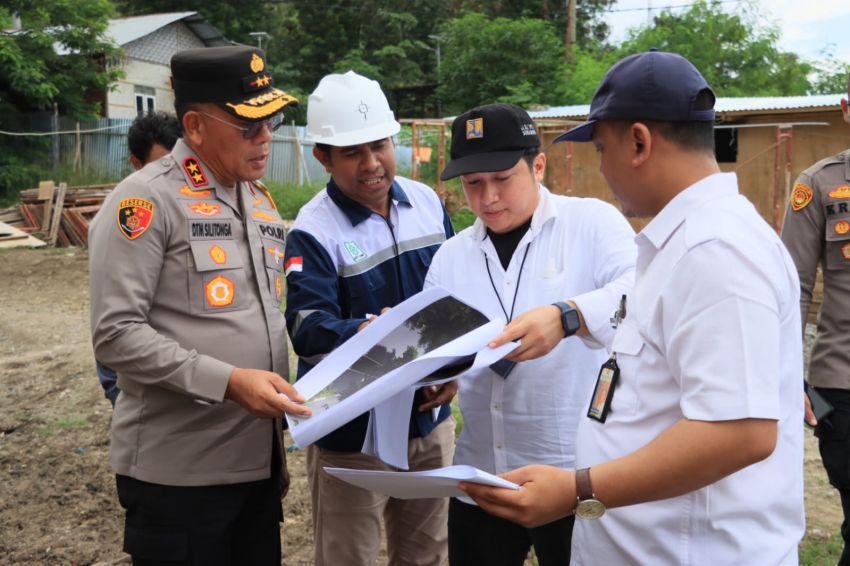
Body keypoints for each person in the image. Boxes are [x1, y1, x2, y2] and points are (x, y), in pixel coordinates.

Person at [461, 50, 805, 565]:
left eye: (601, 148)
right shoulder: (681, 243)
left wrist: (577, 488)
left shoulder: (716, 251)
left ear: (639, 142)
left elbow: (740, 433)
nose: (601, 167)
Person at [88, 46, 310, 565]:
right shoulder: (145, 201)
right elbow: (116, 333)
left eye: (270, 121)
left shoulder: (258, 199)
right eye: (248, 125)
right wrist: (228, 382)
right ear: (196, 124)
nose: (265, 138)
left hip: (255, 468)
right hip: (180, 480)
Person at [424, 102, 635, 566]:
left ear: (538, 166)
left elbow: (638, 290)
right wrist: (437, 379)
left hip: (576, 475)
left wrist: (569, 315)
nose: (488, 197)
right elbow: (438, 348)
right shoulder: (450, 259)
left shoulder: (592, 225)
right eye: (472, 184)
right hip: (483, 474)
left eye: (502, 179)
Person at [283, 70, 456, 566]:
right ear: (323, 156)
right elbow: (307, 327)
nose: (372, 163)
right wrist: (367, 332)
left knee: (427, 555)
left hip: (428, 421)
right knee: (349, 557)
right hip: (351, 435)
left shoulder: (426, 203)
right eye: (352, 152)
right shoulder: (314, 231)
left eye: (379, 145)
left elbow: (454, 300)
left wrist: (453, 374)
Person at [781, 72, 850, 564]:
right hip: (840, 389)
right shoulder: (819, 184)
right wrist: (788, 378)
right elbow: (792, 290)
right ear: (847, 109)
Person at [96, 110, 182, 406]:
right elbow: (116, 324)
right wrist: (119, 395)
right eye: (162, 166)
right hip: (146, 391)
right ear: (136, 163)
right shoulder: (131, 211)